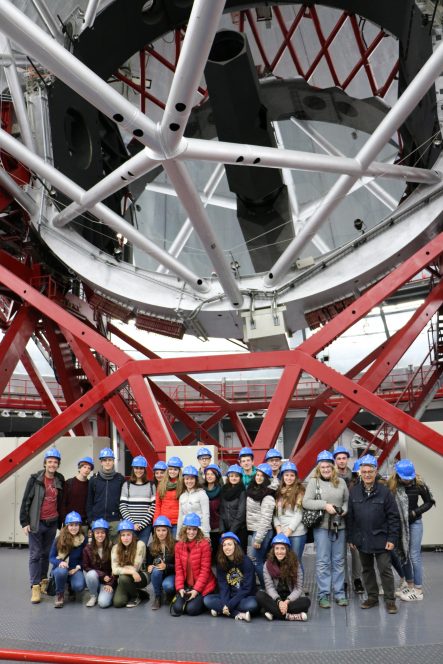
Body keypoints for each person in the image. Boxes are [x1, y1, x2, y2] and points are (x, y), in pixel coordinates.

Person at [347, 454, 400, 614]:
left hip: (382, 538)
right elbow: (351, 518)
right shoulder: (354, 492)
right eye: (364, 472)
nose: (368, 474)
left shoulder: (385, 492)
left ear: (376, 472)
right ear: (360, 473)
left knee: (385, 569)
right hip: (362, 539)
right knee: (367, 569)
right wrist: (352, 537)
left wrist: (392, 538)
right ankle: (372, 597)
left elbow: (393, 517)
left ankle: (390, 600)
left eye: (370, 471)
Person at [302, 450, 349, 608]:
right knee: (323, 561)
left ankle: (340, 593)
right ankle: (323, 594)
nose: (326, 469)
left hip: (339, 526)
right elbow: (306, 502)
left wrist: (344, 509)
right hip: (322, 527)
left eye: (328, 466)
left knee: (339, 560)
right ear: (318, 468)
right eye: (323, 467)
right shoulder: (313, 482)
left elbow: (346, 501)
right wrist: (325, 505)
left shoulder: (341, 482)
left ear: (333, 467)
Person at [20, 447, 65, 604]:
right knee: (35, 554)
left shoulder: (59, 479)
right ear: (45, 463)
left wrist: (62, 522)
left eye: (55, 462)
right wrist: (24, 522)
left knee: (46, 553)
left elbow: (61, 502)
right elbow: (26, 500)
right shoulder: (35, 479)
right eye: (50, 461)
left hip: (52, 523)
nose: (52, 464)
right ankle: (35, 586)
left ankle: (44, 581)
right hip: (36, 523)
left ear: (58, 464)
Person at [388, 459, 435, 602]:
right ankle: (409, 585)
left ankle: (418, 589)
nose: (408, 481)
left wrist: (415, 512)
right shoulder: (391, 485)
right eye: (404, 479)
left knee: (414, 555)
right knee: (403, 554)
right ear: (398, 475)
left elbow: (429, 502)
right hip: (399, 524)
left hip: (415, 523)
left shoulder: (419, 484)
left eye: (410, 479)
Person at [203, 532, 258, 621]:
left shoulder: (246, 561)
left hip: (244, 597)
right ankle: (238, 614)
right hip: (229, 597)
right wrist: (226, 603)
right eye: (224, 545)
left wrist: (229, 605)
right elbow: (223, 587)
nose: (226, 547)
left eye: (229, 544)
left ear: (235, 546)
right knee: (207, 600)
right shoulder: (221, 563)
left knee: (253, 604)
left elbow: (247, 588)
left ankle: (221, 611)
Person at [256, 533, 311, 621]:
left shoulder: (295, 564)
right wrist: (279, 601)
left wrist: (286, 602)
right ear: (273, 550)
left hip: (291, 599)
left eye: (282, 548)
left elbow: (298, 589)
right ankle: (290, 616)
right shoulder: (267, 564)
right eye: (277, 548)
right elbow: (269, 587)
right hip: (275, 598)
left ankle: (273, 613)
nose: (279, 551)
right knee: (259, 595)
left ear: (287, 550)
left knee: (306, 602)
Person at [171, 512, 216, 616]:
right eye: (189, 529)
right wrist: (180, 588)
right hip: (187, 586)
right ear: (185, 529)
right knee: (177, 609)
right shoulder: (178, 546)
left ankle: (206, 598)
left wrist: (196, 590)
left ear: (198, 530)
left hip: (203, 586)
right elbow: (179, 570)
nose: (191, 532)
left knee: (192, 610)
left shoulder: (204, 545)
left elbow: (205, 571)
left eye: (194, 529)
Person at [333, 446, 364, 594]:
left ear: (347, 459)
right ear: (335, 460)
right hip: (338, 518)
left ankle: (357, 579)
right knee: (341, 553)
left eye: (344, 458)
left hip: (355, 519)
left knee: (355, 551)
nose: (341, 461)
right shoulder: (331, 477)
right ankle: (343, 581)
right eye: (338, 458)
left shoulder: (356, 476)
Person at [246, 462, 276, 588]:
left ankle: (267, 587)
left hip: (262, 531)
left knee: (255, 560)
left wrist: (258, 539)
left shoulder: (267, 496)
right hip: (254, 529)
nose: (258, 478)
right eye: (257, 475)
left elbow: (266, 519)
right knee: (257, 560)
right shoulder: (254, 489)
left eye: (262, 476)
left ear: (267, 479)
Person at [49, 511, 86, 608]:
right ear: (67, 526)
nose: (74, 528)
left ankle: (70, 587)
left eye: (76, 525)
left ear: (79, 526)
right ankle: (60, 594)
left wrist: (78, 568)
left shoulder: (83, 540)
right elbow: (51, 557)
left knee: (79, 586)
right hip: (61, 568)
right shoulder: (59, 539)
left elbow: (85, 558)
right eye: (71, 525)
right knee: (61, 572)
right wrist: (60, 562)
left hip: (75, 569)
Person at [86, 447, 125, 541]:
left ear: (113, 461)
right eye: (105, 460)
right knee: (98, 551)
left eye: (110, 460)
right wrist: (91, 520)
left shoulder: (120, 479)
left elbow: (123, 501)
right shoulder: (94, 479)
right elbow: (89, 501)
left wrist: (120, 518)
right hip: (97, 521)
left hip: (115, 521)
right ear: (101, 462)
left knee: (114, 550)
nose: (107, 462)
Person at [274, 461, 307, 566]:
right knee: (284, 564)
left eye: (292, 475)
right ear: (282, 476)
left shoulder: (300, 491)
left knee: (295, 562)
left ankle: (298, 583)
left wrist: (287, 533)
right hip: (282, 532)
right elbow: (275, 513)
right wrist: (279, 530)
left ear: (295, 477)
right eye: (286, 475)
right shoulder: (279, 492)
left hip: (296, 533)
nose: (289, 478)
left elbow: (299, 514)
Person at [119, 455, 156, 545]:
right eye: (136, 468)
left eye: (141, 468)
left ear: (144, 469)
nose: (138, 470)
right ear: (133, 469)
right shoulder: (126, 485)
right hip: (130, 526)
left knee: (142, 550)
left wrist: (142, 524)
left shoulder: (151, 485)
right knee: (131, 550)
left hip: (145, 527)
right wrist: (133, 524)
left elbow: (153, 506)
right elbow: (123, 506)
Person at [111, 519, 148, 608]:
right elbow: (114, 570)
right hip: (127, 577)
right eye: (123, 535)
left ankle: (136, 596)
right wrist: (131, 572)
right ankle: (140, 593)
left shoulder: (140, 545)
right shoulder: (115, 548)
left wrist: (125, 569)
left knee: (123, 578)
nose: (126, 538)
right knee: (118, 603)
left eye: (128, 534)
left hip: (141, 575)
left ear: (133, 535)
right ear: (119, 537)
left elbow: (136, 567)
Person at [82, 518, 115, 608]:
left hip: (109, 581)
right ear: (93, 534)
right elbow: (85, 566)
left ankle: (108, 592)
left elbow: (116, 568)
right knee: (90, 574)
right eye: (97, 533)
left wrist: (110, 584)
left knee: (103, 603)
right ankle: (93, 595)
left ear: (106, 534)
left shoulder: (113, 547)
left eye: (102, 532)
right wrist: (102, 575)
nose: (100, 535)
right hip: (96, 580)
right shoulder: (87, 549)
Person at [146, 516, 176, 610]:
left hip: (172, 574)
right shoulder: (151, 546)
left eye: (164, 530)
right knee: (155, 571)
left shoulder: (176, 545)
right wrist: (149, 566)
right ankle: (158, 597)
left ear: (168, 531)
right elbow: (149, 562)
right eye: (158, 530)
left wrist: (166, 566)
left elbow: (180, 566)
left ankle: (170, 593)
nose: (161, 533)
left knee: (168, 586)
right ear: (155, 531)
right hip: (159, 574)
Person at [153, 456, 184, 538]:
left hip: (177, 522)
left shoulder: (183, 485)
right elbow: (158, 505)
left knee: (175, 547)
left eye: (175, 469)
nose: (172, 472)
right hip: (164, 522)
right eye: (170, 469)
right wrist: (156, 522)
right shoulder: (161, 484)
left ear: (179, 471)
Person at [177, 465, 210, 538]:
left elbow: (206, 515)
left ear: (196, 480)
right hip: (186, 532)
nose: (189, 481)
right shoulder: (182, 496)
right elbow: (180, 517)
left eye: (192, 479)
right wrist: (178, 535)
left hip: (199, 532)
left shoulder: (202, 494)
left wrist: (206, 534)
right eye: (187, 479)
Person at [61, 456, 94, 529]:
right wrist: (64, 520)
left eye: (89, 468)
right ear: (79, 468)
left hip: (84, 523)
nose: (86, 470)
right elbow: (63, 504)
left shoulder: (90, 485)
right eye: (84, 467)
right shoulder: (69, 483)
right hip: (70, 522)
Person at [219, 464, 247, 551]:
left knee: (239, 554)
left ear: (240, 478)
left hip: (239, 530)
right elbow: (221, 511)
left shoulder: (242, 491)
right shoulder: (223, 490)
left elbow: (241, 514)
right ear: (228, 477)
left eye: (236, 476)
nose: (234, 478)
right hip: (226, 530)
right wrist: (223, 530)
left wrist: (231, 532)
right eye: (231, 476)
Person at [203, 463, 223, 554]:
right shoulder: (201, 490)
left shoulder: (222, 490)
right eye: (207, 474)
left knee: (216, 552)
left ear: (217, 476)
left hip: (217, 528)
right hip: (203, 527)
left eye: (212, 474)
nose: (209, 476)